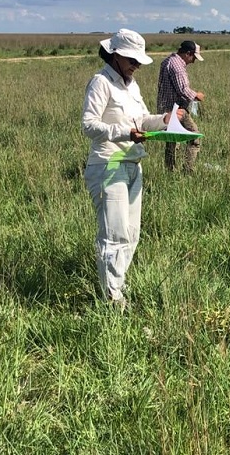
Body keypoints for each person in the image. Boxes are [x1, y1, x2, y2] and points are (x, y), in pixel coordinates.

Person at [81, 28, 183, 308]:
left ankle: (118, 286)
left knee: (131, 233)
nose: (136, 65)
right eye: (131, 59)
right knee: (114, 234)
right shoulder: (101, 82)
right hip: (108, 164)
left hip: (133, 164)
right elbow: (88, 125)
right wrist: (125, 133)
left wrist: (165, 119)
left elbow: (142, 120)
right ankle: (112, 299)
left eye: (139, 60)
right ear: (115, 55)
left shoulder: (132, 86)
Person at [157, 40, 205, 173]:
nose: (193, 61)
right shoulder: (177, 66)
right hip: (177, 110)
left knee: (172, 140)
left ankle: (170, 171)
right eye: (194, 57)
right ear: (188, 53)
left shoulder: (167, 61)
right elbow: (183, 90)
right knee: (194, 137)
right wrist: (197, 95)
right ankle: (188, 171)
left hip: (166, 108)